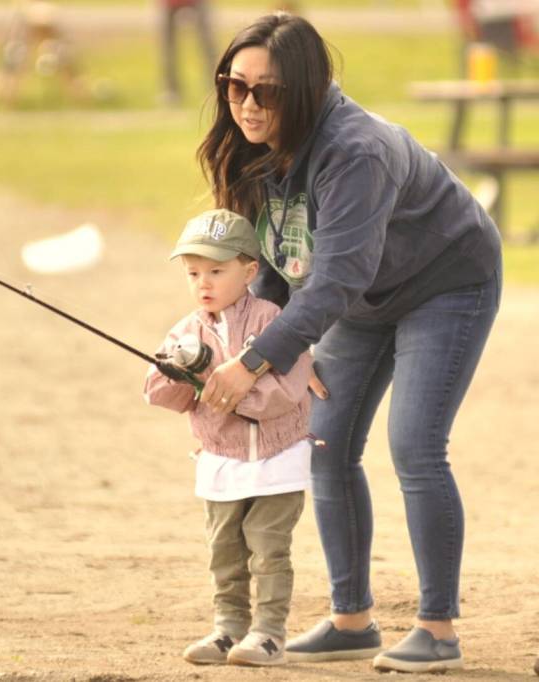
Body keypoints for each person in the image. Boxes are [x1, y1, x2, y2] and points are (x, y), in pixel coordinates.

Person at [194, 12, 501, 673]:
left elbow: (335, 278)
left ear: (305, 87)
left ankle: (438, 629)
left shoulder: (355, 150)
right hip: (359, 297)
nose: (247, 104)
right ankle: (350, 620)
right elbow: (273, 264)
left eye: (266, 90)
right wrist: (267, 345)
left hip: (445, 281)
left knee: (415, 445)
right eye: (234, 85)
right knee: (325, 445)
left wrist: (257, 361)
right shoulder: (253, 146)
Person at [143, 208, 314, 667]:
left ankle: (268, 632)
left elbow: (283, 394)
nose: (205, 282)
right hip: (220, 462)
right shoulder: (186, 330)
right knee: (224, 552)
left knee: (268, 549)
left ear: (250, 271)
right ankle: (228, 628)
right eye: (194, 272)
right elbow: (158, 393)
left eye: (217, 271)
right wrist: (184, 370)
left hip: (278, 462)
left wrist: (225, 389)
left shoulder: (275, 322)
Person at [157, 0, 217, 106]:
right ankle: (171, 91)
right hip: (168, 3)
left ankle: (215, 87)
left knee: (207, 46)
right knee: (168, 48)